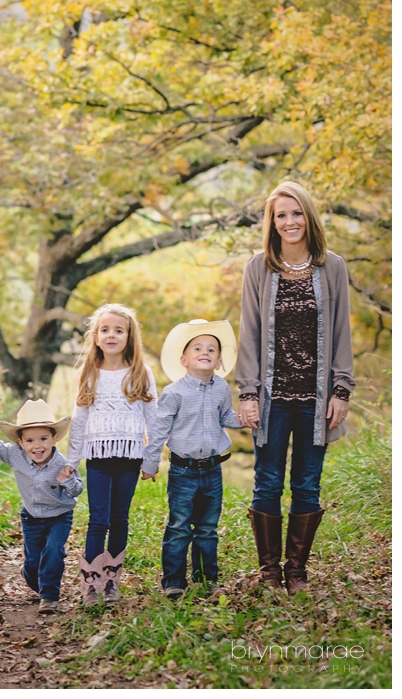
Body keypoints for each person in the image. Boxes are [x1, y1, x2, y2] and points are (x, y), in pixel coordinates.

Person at [235, 182, 354, 594]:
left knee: (307, 484)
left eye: (296, 213)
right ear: (272, 222)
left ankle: (297, 573)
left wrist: (341, 390)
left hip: (316, 399)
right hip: (272, 399)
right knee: (267, 482)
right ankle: (269, 573)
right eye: (281, 215)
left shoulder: (332, 267)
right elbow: (249, 333)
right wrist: (248, 393)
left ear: (309, 217)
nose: (290, 222)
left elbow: (341, 333)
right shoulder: (259, 268)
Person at [141, 319, 243, 599]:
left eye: (212, 349)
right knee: (179, 527)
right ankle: (173, 580)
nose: (205, 352)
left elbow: (226, 418)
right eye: (198, 347)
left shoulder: (222, 388)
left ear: (219, 360)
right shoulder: (174, 393)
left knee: (208, 529)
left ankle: (206, 578)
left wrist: (246, 419)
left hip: (212, 470)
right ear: (184, 359)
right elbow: (158, 430)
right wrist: (150, 464)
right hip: (183, 471)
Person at [66, 303, 156, 606]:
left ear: (129, 336)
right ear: (95, 336)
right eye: (105, 329)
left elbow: (153, 419)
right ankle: (90, 584)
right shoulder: (88, 373)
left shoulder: (141, 373)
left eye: (119, 330)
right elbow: (78, 420)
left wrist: (152, 459)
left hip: (130, 458)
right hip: (99, 459)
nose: (112, 335)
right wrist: (71, 459)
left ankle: (112, 583)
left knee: (119, 519)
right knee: (98, 520)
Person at [0, 400, 83, 614]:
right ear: (20, 442)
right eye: (30, 440)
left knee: (53, 551)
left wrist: (68, 481)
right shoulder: (15, 455)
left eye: (44, 439)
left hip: (59, 516)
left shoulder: (63, 464)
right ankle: (35, 579)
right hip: (31, 517)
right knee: (33, 560)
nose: (37, 446)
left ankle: (49, 595)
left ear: (54, 438)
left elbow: (77, 490)